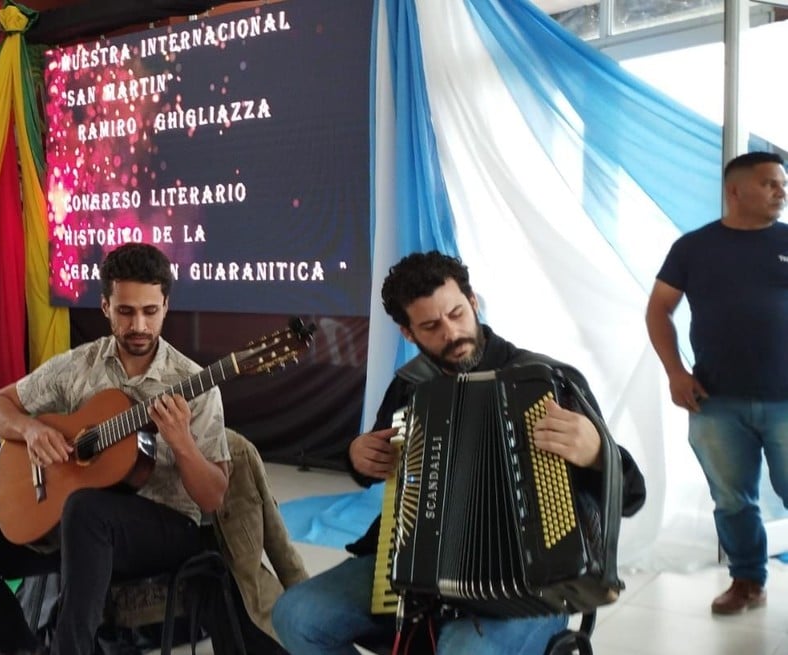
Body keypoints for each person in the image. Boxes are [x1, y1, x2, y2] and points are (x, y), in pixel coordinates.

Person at [272, 251, 647, 655]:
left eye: (456, 313)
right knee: (296, 615)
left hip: (533, 578)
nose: (451, 333)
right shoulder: (410, 387)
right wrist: (358, 457)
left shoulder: (549, 381)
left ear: (473, 301)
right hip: (415, 564)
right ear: (408, 333)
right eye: (431, 326)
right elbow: (378, 465)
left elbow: (631, 496)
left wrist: (598, 454)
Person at [0, 243, 230, 655]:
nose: (139, 325)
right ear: (104, 306)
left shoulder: (194, 382)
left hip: (169, 527)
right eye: (125, 311)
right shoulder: (80, 366)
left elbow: (214, 498)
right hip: (80, 525)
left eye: (150, 312)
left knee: (84, 507)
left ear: (166, 306)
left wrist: (183, 444)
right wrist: (30, 430)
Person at [645, 151, 788, 615]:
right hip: (716, 400)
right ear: (735, 190)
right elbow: (658, 310)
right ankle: (747, 580)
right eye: (770, 183)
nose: (781, 192)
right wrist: (675, 372)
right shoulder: (693, 248)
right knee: (731, 500)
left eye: (782, 184)